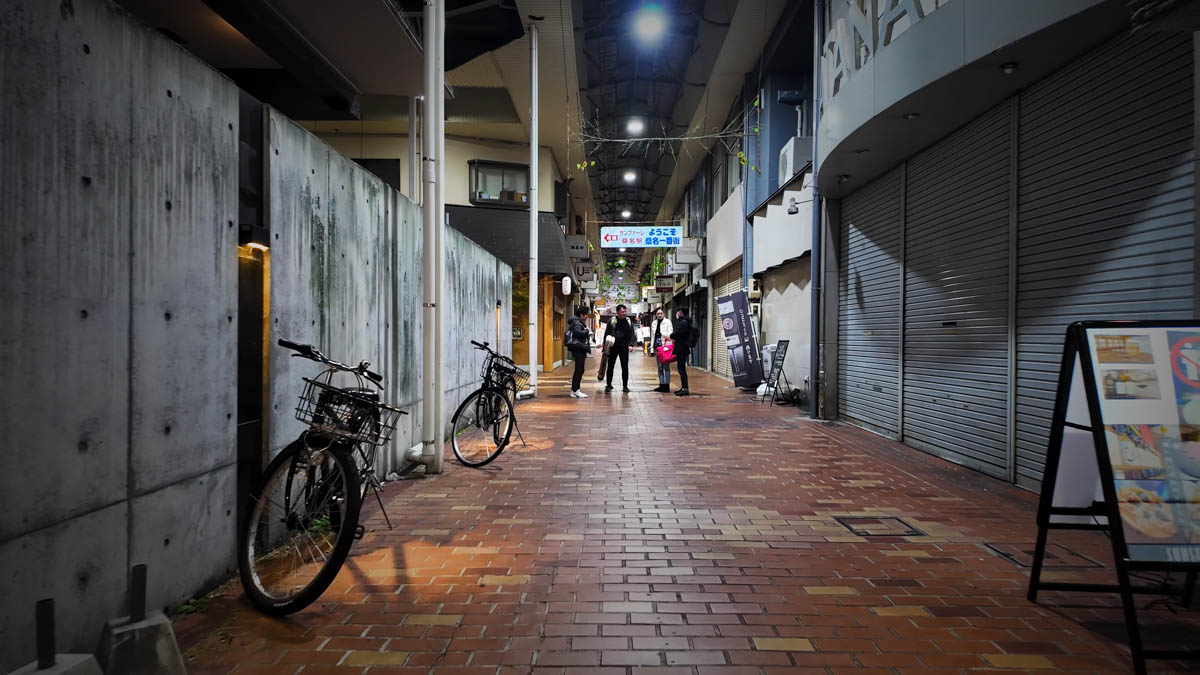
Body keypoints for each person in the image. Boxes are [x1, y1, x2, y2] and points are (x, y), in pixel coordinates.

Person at [604, 304, 636, 393]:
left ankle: (625, 386)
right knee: (610, 366)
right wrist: (605, 348)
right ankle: (609, 385)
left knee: (625, 367)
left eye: (625, 311)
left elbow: (632, 334)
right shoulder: (612, 321)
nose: (624, 313)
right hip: (612, 347)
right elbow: (606, 334)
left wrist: (631, 344)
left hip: (624, 347)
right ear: (617, 312)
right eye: (622, 312)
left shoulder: (628, 321)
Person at [566, 306, 591, 398]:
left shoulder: (576, 322)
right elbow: (577, 333)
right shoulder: (577, 323)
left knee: (580, 369)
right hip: (579, 348)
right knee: (579, 370)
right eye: (586, 314)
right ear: (581, 315)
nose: (587, 316)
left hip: (578, 348)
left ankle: (575, 390)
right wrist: (586, 331)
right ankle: (575, 390)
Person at [650, 307, 674, 393]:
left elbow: (670, 335)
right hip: (657, 347)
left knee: (666, 367)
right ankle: (661, 385)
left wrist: (662, 333)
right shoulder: (654, 323)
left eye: (661, 313)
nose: (659, 315)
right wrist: (652, 349)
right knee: (659, 367)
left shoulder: (668, 322)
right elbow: (652, 336)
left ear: (664, 314)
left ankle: (667, 386)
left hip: (665, 348)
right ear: (656, 315)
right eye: (658, 314)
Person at [673, 307, 694, 396]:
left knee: (681, 369)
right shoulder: (684, 322)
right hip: (682, 348)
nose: (677, 314)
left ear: (681, 313)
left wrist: (672, 335)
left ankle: (685, 389)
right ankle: (683, 387)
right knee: (681, 369)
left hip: (681, 348)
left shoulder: (683, 323)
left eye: (678, 312)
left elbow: (677, 334)